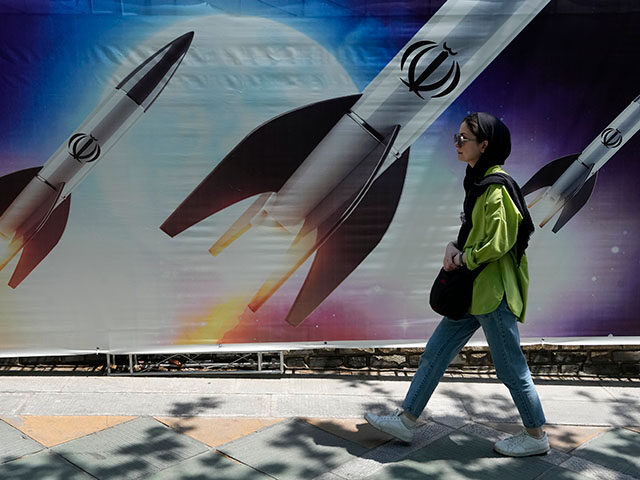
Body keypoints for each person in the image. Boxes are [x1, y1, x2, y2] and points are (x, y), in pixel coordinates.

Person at [365, 112, 549, 457]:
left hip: (491, 293)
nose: (457, 144)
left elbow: (499, 243)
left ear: (485, 145)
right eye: (457, 137)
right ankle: (406, 420)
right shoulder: (478, 182)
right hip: (471, 291)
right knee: (435, 353)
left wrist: (463, 259)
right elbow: (477, 232)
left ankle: (536, 435)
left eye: (464, 139)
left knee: (511, 368)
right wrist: (455, 245)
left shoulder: (496, 188)